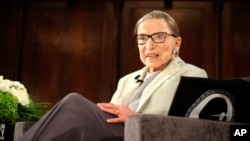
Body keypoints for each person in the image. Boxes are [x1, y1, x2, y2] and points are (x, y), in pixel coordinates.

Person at [18, 10, 208, 141]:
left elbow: (190, 129)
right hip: (113, 135)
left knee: (73, 102)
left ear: (177, 43)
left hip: (142, 135)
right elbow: (108, 120)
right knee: (72, 123)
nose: (149, 45)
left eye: (159, 36)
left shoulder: (192, 74)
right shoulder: (126, 81)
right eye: (142, 38)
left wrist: (136, 117)